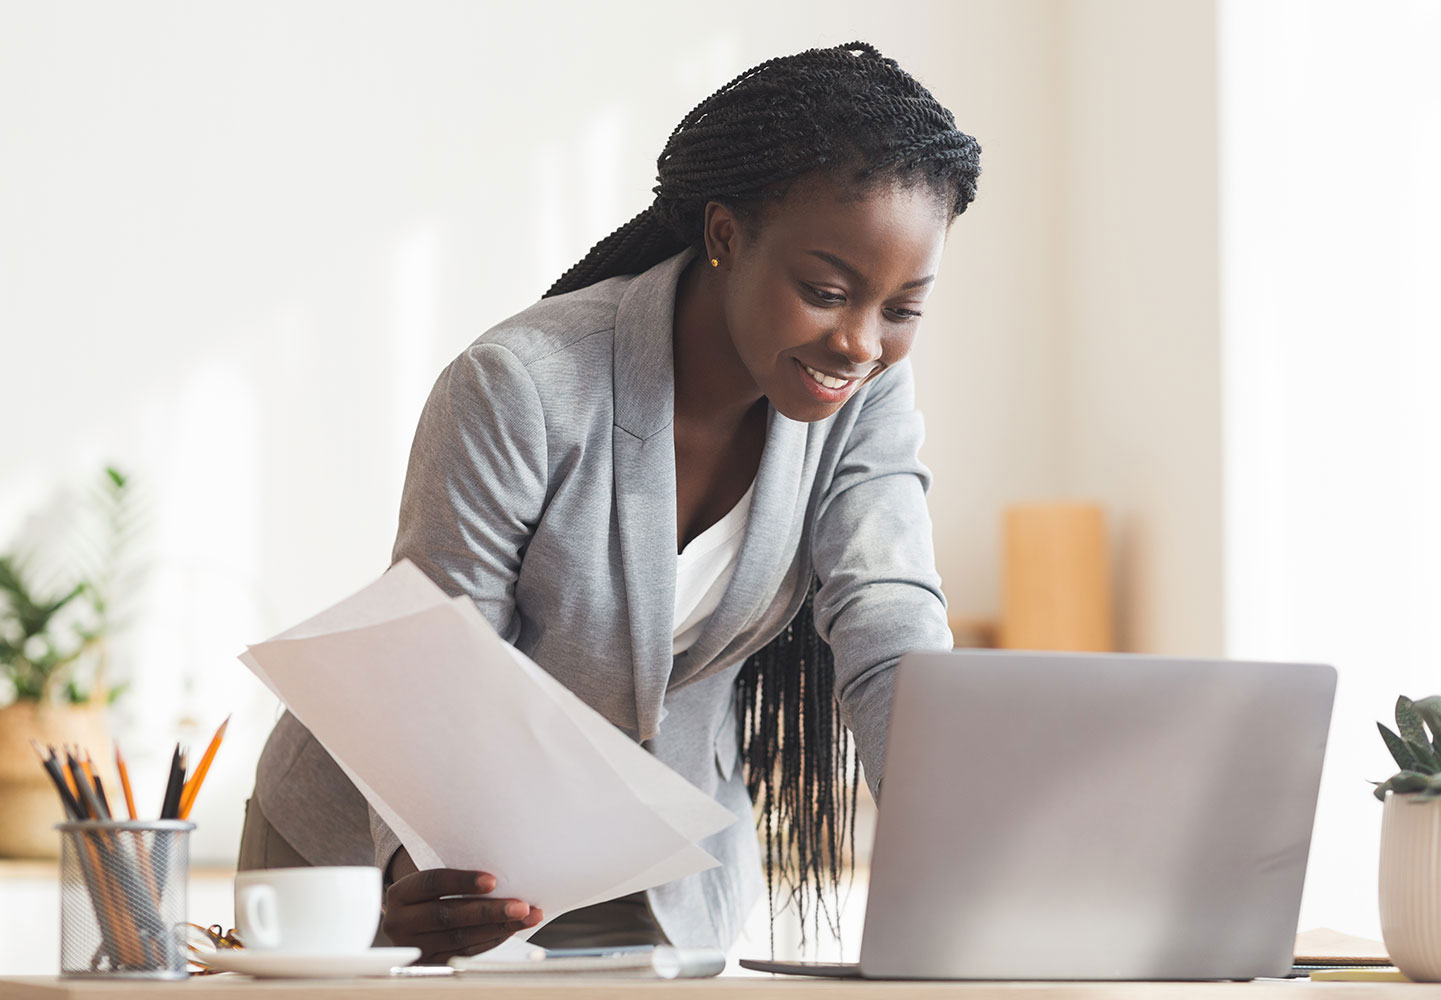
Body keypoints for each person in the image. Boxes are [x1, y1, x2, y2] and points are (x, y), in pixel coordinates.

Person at [239, 40, 982, 964]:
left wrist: (965, 850)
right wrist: (413, 872)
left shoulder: (863, 399)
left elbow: (888, 617)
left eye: (903, 308)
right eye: (825, 292)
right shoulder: (522, 386)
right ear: (724, 236)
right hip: (395, 855)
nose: (861, 342)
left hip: (662, 875)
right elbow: (437, 665)